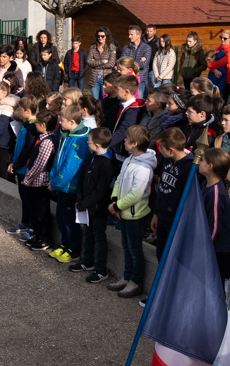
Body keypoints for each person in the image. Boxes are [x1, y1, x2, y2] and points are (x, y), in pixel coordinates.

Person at [107, 125, 155, 298]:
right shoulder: (129, 160)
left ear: (134, 143)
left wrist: (117, 206)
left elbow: (136, 194)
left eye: (127, 139)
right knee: (126, 247)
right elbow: (119, 180)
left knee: (135, 249)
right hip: (123, 212)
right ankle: (127, 277)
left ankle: (136, 281)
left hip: (135, 215)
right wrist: (115, 201)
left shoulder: (144, 168)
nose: (124, 140)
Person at [48, 104, 92, 264]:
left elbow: (69, 168)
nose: (59, 123)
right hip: (61, 186)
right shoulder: (67, 134)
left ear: (73, 122)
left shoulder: (79, 141)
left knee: (69, 220)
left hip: (70, 188)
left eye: (63, 120)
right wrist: (53, 178)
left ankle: (73, 250)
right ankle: (64, 245)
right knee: (60, 217)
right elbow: (58, 159)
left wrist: (56, 183)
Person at [71, 127, 115, 283]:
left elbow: (100, 190)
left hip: (98, 208)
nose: (87, 143)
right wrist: (80, 199)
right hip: (86, 206)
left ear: (97, 145)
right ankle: (87, 260)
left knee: (99, 236)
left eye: (89, 141)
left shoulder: (107, 164)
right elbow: (83, 180)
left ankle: (100, 268)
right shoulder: (91, 158)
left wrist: (85, 202)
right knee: (88, 234)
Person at [150, 128, 193, 259]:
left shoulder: (189, 168)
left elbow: (187, 199)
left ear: (171, 150)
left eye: (162, 148)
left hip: (175, 220)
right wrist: (156, 213)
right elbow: (162, 188)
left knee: (171, 256)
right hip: (162, 215)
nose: (160, 151)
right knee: (160, 253)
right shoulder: (167, 160)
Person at [19, 109, 58, 252]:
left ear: (43, 125)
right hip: (35, 182)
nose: (35, 125)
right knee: (35, 211)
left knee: (42, 212)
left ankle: (45, 239)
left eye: (37, 123)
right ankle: (37, 235)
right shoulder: (43, 139)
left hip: (40, 182)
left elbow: (40, 164)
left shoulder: (47, 142)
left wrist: (28, 178)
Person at [199, 148, 230, 280]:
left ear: (210, 166)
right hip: (213, 246)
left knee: (215, 283)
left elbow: (214, 226)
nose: (199, 162)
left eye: (202, 160)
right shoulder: (205, 184)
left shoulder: (215, 193)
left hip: (219, 249)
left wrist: (203, 247)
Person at [6, 96, 41, 239]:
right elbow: (18, 146)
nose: (18, 112)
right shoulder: (26, 124)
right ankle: (24, 222)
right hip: (19, 166)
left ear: (28, 110)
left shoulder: (33, 128)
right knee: (23, 197)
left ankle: (32, 226)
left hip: (25, 168)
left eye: (20, 110)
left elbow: (27, 150)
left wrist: (17, 163)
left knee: (29, 199)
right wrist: (12, 161)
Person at [109, 75, 146, 161]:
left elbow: (124, 130)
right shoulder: (124, 105)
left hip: (123, 152)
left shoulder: (133, 110)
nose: (116, 91)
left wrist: (106, 142)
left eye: (118, 89)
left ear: (126, 92)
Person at [208, 30, 230, 99]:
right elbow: (212, 59)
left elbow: (224, 61)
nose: (222, 39)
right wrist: (214, 70)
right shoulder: (220, 48)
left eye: (225, 38)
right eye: (221, 37)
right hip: (223, 78)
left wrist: (210, 65)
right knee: (222, 99)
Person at [88, 27, 117, 100]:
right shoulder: (93, 47)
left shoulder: (111, 47)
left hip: (106, 79)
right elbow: (89, 62)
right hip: (94, 79)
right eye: (98, 36)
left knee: (104, 100)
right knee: (95, 101)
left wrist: (95, 63)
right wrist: (103, 61)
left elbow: (111, 64)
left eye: (102, 36)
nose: (100, 38)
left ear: (106, 36)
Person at [122, 25, 151, 95]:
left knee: (139, 102)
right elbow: (122, 63)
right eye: (129, 34)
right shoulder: (126, 48)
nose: (129, 36)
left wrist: (128, 63)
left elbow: (144, 65)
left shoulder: (146, 48)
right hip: (127, 80)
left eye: (131, 34)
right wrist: (138, 61)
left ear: (139, 35)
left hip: (140, 80)